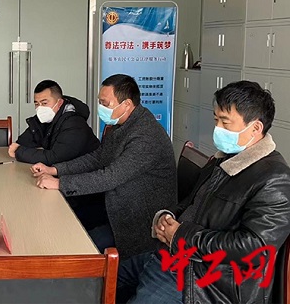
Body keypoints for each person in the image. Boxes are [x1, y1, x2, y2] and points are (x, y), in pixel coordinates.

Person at [117, 81, 290, 304]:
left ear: (255, 128)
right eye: (216, 120)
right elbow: (192, 204)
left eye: (225, 122)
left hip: (205, 281)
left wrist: (180, 235)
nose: (218, 129)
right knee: (100, 278)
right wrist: (166, 218)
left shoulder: (274, 178)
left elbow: (253, 248)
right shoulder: (223, 160)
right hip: (175, 256)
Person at [31, 74, 176, 259]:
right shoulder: (122, 124)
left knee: (78, 245)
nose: (101, 108)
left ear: (127, 104)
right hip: (114, 205)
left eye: (105, 104)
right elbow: (98, 158)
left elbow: (110, 177)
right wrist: (55, 170)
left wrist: (60, 183)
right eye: (100, 102)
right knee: (64, 219)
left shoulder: (145, 136)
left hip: (137, 221)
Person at [8, 79, 100, 165]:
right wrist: (18, 147)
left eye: (44, 103)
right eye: (36, 104)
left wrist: (19, 151)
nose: (40, 108)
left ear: (59, 103)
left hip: (88, 171)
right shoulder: (48, 117)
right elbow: (24, 141)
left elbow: (55, 157)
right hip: (65, 169)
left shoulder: (74, 123)